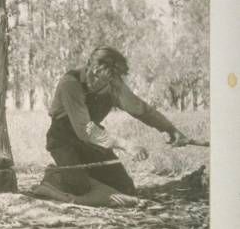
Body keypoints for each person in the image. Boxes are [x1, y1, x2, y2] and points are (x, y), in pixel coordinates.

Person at [35, 46, 189, 206]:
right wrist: (127, 145)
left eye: (100, 78)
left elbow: (141, 110)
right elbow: (85, 131)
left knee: (126, 190)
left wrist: (170, 129)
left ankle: (83, 175)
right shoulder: (70, 84)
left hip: (92, 143)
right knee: (79, 187)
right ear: (88, 63)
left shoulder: (114, 86)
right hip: (63, 140)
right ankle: (55, 175)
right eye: (91, 72)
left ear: (112, 77)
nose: (92, 80)